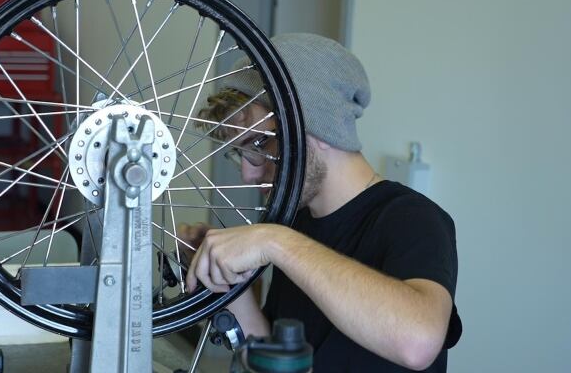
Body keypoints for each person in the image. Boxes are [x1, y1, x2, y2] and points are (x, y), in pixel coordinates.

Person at [182, 33, 461, 372]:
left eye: (258, 144)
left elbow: (417, 343)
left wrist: (275, 241)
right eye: (239, 153)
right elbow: (278, 358)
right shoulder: (296, 225)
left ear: (316, 126)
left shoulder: (413, 219)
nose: (247, 173)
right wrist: (232, 288)